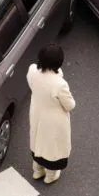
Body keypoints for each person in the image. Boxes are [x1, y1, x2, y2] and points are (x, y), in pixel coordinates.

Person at [26, 43, 76, 184]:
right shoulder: (60, 84)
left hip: (37, 113)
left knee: (37, 142)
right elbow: (70, 105)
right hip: (54, 121)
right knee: (52, 147)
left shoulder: (32, 71)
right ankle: (50, 175)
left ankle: (37, 170)